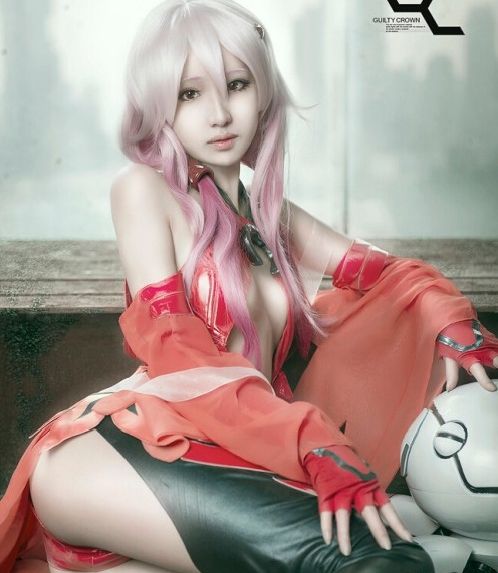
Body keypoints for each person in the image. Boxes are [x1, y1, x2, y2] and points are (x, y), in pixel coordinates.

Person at [2, 1, 498, 572]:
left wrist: (447, 318)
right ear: (159, 104)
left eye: (236, 85)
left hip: (235, 456)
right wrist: (307, 436)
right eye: (189, 94)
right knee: (368, 559)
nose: (218, 114)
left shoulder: (270, 215)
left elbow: (383, 272)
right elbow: (178, 354)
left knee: (391, 548)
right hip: (124, 449)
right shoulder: (142, 189)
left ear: (262, 92)